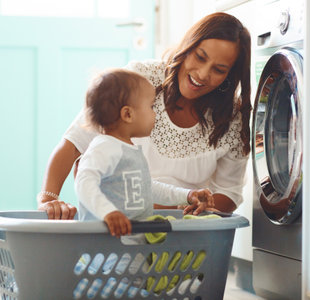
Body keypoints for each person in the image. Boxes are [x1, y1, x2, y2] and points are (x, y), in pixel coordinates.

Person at [37, 12, 251, 220]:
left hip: (184, 230)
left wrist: (190, 203)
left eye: (219, 69)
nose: (203, 74)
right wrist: (49, 200)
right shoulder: (140, 81)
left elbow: (228, 192)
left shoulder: (231, 118)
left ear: (230, 76)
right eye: (200, 57)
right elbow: (74, 143)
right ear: (187, 47)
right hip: (120, 223)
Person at [75, 68, 214, 237]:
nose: (155, 114)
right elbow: (84, 182)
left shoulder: (129, 150)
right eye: (150, 107)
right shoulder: (104, 147)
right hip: (105, 250)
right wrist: (108, 212)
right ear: (128, 114)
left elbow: (147, 188)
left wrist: (187, 195)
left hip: (132, 247)